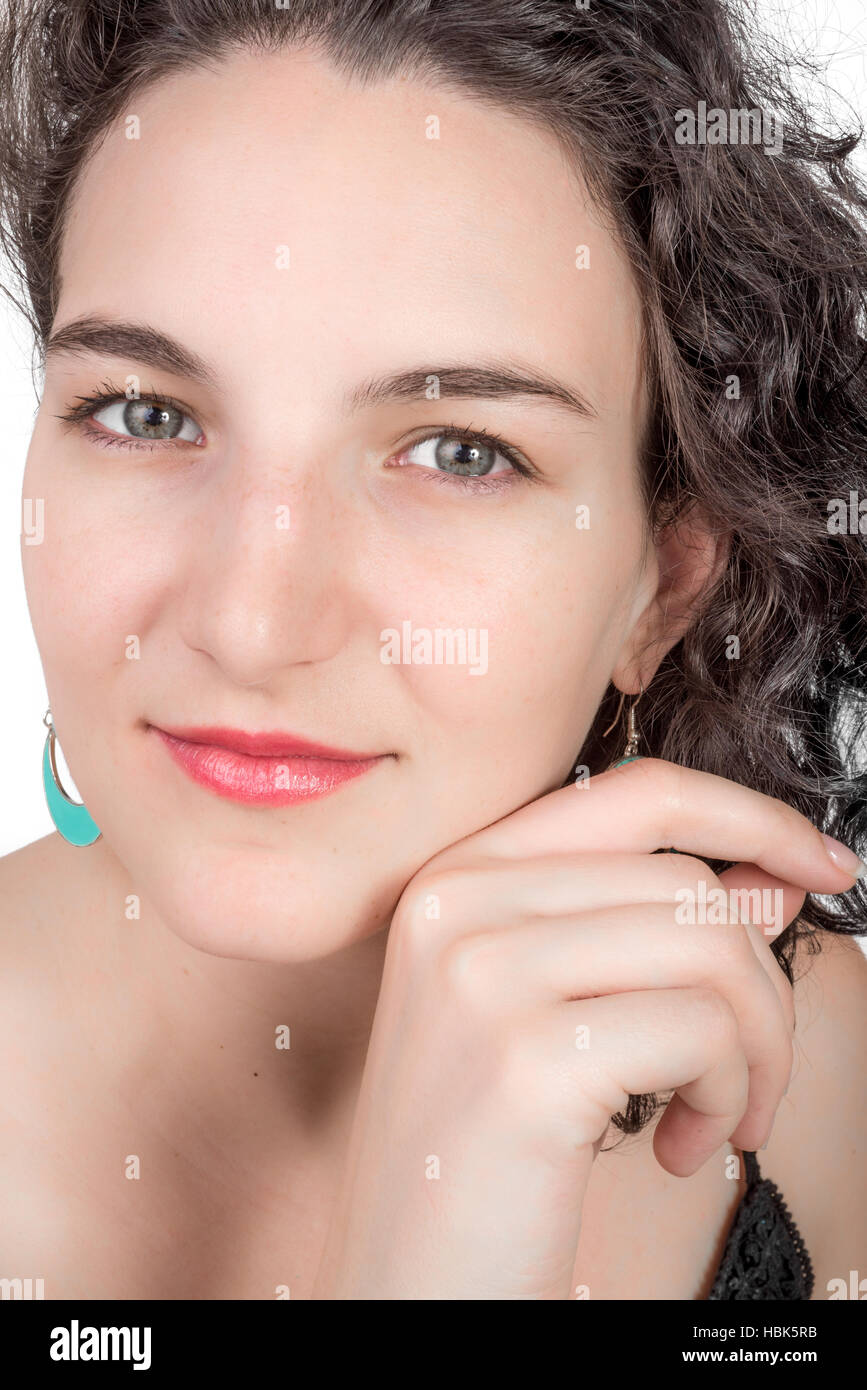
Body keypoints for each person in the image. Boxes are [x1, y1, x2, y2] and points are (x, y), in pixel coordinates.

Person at [0, 0, 865, 1301]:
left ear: (663, 586)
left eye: (461, 452)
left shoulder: (800, 1058)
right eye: (143, 411)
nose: (251, 621)